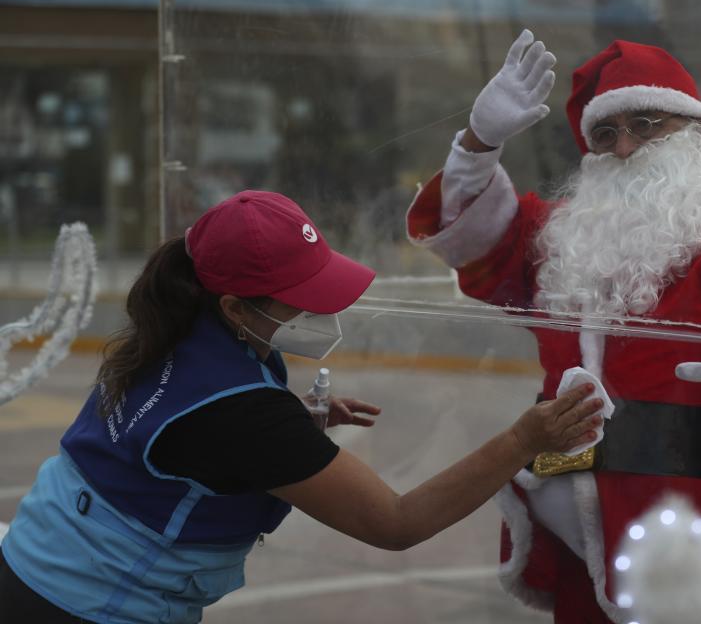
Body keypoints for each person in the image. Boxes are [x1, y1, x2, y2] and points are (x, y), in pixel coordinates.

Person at [0, 190, 604, 623]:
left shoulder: (170, 331)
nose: (324, 313)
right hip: (84, 604)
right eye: (304, 300)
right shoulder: (246, 418)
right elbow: (396, 523)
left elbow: (192, 436)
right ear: (236, 308)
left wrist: (290, 422)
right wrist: (522, 441)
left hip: (33, 562)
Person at [406, 31, 701, 623]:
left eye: (646, 124)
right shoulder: (568, 233)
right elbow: (473, 240)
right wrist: (479, 144)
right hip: (580, 542)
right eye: (605, 134)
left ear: (696, 133)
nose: (626, 146)